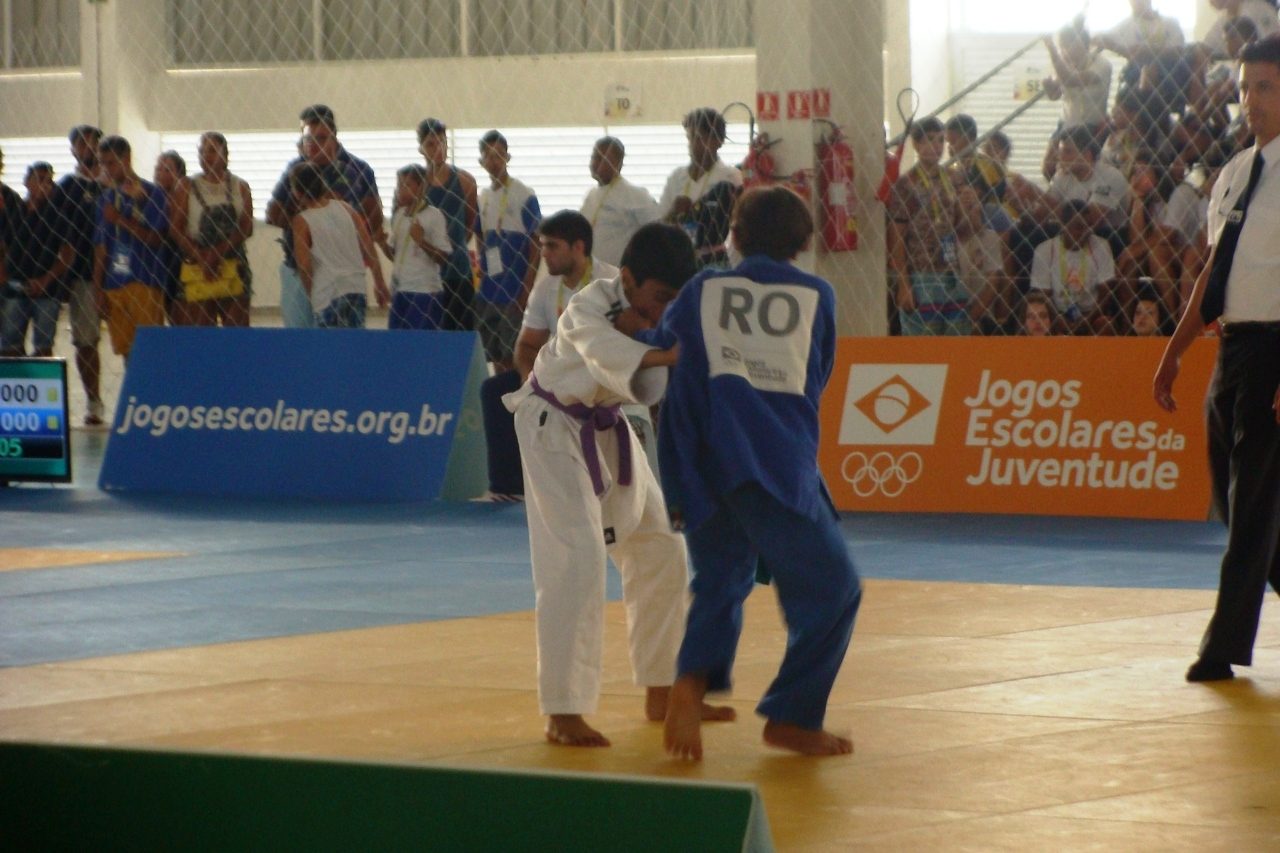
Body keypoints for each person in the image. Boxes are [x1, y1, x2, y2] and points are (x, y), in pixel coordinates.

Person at [644, 186, 861, 760]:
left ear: (733, 236)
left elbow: (663, 352)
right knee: (836, 589)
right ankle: (793, 715)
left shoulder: (701, 289)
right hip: (774, 463)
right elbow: (820, 373)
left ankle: (688, 688)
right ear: (803, 242)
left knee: (720, 581)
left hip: (698, 462)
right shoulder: (816, 295)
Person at [502, 221, 733, 748]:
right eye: (656, 298)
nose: (663, 311)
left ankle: (662, 687)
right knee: (577, 557)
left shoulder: (668, 310)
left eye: (674, 301)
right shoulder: (588, 306)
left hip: (608, 425)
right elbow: (618, 360)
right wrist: (677, 354)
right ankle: (563, 710)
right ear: (627, 279)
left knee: (660, 547)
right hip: (552, 425)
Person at [1154, 35, 1280, 683]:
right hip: (1232, 348)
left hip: (1277, 348)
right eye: (1243, 87)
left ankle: (1222, 645)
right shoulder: (1233, 173)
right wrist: (1175, 352)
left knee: (1253, 501)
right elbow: (1210, 274)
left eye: (1264, 87)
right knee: (1231, 495)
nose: (1250, 101)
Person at [477, 210, 623, 503]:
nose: (543, 253)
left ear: (578, 247)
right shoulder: (545, 288)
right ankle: (509, 488)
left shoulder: (611, 283)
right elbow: (527, 346)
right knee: (495, 390)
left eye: (552, 246)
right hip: (556, 376)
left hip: (599, 374)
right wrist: (531, 382)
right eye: (542, 245)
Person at [267, 105, 382, 328]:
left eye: (321, 138)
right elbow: (273, 213)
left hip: (343, 276)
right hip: (298, 269)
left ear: (334, 137)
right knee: (300, 340)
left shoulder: (357, 170)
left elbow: (372, 217)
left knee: (344, 344)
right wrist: (306, 209)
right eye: (308, 138)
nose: (313, 145)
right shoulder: (296, 169)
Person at [888, 117, 969, 335]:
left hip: (951, 270)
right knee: (923, 345)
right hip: (921, 272)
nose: (936, 146)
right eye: (930, 140)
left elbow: (963, 227)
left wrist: (969, 206)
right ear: (916, 144)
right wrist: (904, 283)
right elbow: (897, 236)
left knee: (956, 339)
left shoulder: (954, 179)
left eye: (941, 141)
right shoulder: (907, 184)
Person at [92, 135, 169, 362]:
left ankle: (153, 395)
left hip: (145, 279)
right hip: (114, 283)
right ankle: (134, 394)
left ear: (126, 160)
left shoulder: (152, 194)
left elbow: (156, 239)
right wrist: (98, 290)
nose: (106, 169)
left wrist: (121, 220)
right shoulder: (106, 198)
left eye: (111, 163)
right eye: (102, 164)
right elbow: (101, 247)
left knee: (151, 349)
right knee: (126, 350)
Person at [289, 162, 389, 328]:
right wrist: (379, 282)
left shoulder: (302, 221)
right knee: (353, 346)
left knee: (328, 349)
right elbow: (368, 248)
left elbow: (305, 265)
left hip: (327, 292)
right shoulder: (346, 208)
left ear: (298, 192)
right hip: (355, 288)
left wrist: (311, 294)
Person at [170, 132, 254, 327]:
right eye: (201, 151)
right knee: (201, 331)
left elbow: (246, 227)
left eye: (212, 150)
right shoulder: (186, 186)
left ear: (225, 155)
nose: (205, 156)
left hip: (233, 264)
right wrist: (201, 256)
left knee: (237, 331)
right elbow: (176, 228)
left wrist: (217, 253)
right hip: (198, 265)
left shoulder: (240, 187)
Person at [52, 125, 106, 424]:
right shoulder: (66, 188)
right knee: (87, 340)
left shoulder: (113, 184)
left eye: (93, 143)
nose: (88, 148)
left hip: (121, 276)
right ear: (73, 150)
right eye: (82, 143)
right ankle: (94, 400)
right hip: (84, 275)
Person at [475, 130, 541, 371]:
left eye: (499, 155)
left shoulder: (524, 195)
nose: (494, 161)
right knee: (493, 353)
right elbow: (479, 234)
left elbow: (536, 243)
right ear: (481, 161)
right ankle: (501, 397)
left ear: (508, 157)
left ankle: (517, 399)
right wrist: (481, 266)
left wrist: (527, 286)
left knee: (515, 352)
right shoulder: (482, 197)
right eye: (489, 156)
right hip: (489, 291)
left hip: (514, 290)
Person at [1, 162, 71, 357]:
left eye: (49, 182)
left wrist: (45, 280)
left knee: (44, 346)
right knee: (9, 345)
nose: (45, 186)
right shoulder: (12, 211)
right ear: (26, 182)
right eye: (40, 180)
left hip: (47, 289)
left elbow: (67, 254)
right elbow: (3, 247)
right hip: (14, 286)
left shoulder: (57, 216)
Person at [660, 107, 743, 269]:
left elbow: (740, 224)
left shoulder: (730, 177)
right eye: (690, 138)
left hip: (718, 261)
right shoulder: (677, 177)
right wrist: (674, 211)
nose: (693, 145)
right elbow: (660, 223)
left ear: (718, 141)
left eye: (700, 138)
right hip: (679, 259)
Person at [417, 118, 479, 331]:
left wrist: (455, 245)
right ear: (421, 149)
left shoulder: (465, 181)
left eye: (442, 142)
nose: (438, 149)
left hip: (458, 271)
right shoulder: (418, 185)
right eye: (431, 144)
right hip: (426, 274)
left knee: (462, 332)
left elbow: (470, 223)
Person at [378, 164, 451, 330]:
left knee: (422, 343)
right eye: (399, 185)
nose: (400, 190)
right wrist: (382, 243)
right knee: (398, 343)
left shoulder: (434, 215)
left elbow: (443, 258)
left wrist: (422, 242)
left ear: (421, 188)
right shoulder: (398, 215)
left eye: (406, 185)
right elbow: (395, 255)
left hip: (424, 291)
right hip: (400, 289)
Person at [1029, 199, 1116, 335]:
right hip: (1056, 313)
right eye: (1079, 227)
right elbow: (1042, 297)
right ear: (1064, 226)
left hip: (1091, 313)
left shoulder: (1101, 246)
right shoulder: (1045, 250)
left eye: (1089, 226)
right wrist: (1058, 320)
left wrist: (1088, 319)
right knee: (1040, 322)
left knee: (1105, 323)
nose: (1086, 231)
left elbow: (1106, 293)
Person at [579, 136, 660, 267]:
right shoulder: (591, 195)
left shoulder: (636, 195)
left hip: (620, 275)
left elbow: (657, 231)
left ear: (619, 163)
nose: (595, 163)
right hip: (590, 274)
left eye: (602, 158)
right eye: (594, 157)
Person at [1042, 23, 1113, 145]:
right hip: (1067, 123)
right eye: (1061, 47)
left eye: (1066, 45)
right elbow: (1055, 95)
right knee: (1050, 159)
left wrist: (1052, 50)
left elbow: (1071, 81)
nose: (1064, 51)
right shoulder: (1062, 65)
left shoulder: (1101, 64)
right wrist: (1049, 87)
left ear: (1081, 44)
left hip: (1092, 126)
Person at [152, 151, 186, 325]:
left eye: (167, 169)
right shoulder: (150, 199)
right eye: (158, 168)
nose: (160, 173)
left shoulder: (184, 199)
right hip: (157, 262)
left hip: (179, 259)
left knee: (180, 313)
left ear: (179, 175)